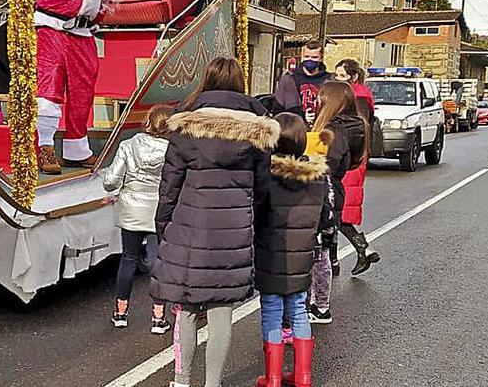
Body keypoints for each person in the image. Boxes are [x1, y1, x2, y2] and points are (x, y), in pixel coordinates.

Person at [152, 58, 278, 387]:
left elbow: (170, 186)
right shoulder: (256, 130)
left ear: (206, 80)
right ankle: (213, 384)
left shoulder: (185, 126)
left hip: (188, 230)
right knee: (222, 313)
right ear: (239, 84)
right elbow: (264, 188)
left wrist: (163, 227)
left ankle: (181, 381)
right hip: (233, 233)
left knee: (188, 310)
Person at [35, 0, 152, 174]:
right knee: (49, 90)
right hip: (54, 30)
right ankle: (44, 147)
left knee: (82, 93)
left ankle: (77, 149)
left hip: (84, 33)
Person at [254, 113, 328, 387]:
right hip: (303, 252)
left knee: (272, 309)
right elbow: (323, 216)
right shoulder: (317, 176)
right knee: (298, 309)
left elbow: (257, 213)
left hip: (270, 252)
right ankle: (303, 376)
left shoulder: (266, 176)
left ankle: (273, 377)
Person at [101, 105, 173, 334]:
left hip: (131, 209)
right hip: (158, 211)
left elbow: (110, 182)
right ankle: (158, 317)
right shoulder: (173, 150)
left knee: (128, 259)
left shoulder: (128, 145)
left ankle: (120, 313)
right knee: (156, 261)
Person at [307, 82, 367, 325]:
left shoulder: (334, 131)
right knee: (323, 250)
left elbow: (317, 162)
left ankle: (319, 305)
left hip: (322, 192)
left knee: (317, 253)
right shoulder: (356, 125)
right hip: (335, 189)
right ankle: (319, 303)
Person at [334, 59, 381, 275]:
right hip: (350, 156)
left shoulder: (359, 96)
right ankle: (359, 251)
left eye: (341, 76)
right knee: (337, 211)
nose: (337, 79)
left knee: (338, 211)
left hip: (351, 158)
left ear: (352, 77)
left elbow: (358, 127)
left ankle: (361, 249)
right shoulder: (353, 94)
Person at [273, 40, 333, 122]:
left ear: (321, 57)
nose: (309, 60)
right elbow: (281, 108)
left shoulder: (329, 80)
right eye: (306, 56)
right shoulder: (290, 79)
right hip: (296, 126)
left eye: (314, 57)